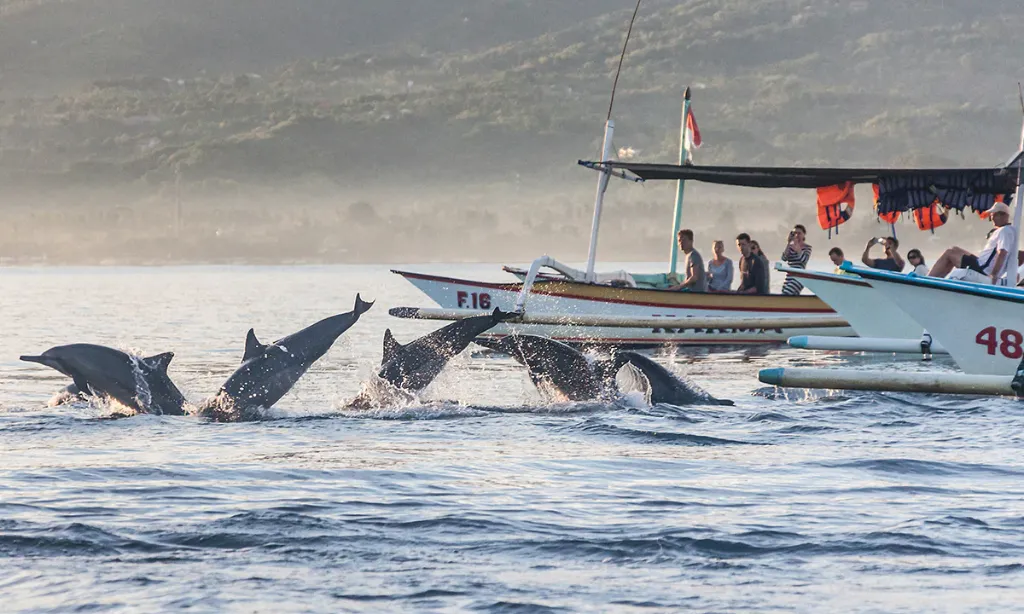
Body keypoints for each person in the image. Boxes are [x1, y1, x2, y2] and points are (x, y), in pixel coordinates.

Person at [928, 202, 1013, 285]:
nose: (991, 218)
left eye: (993, 215)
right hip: (982, 264)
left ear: (1003, 215)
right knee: (954, 249)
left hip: (983, 269)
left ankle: (928, 280)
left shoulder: (1004, 231)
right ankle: (937, 281)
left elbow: (1002, 252)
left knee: (949, 253)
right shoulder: (1008, 230)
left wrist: (994, 275)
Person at [781, 224, 812, 295]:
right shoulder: (790, 247)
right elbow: (784, 258)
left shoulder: (807, 247)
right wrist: (788, 243)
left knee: (787, 293)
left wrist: (797, 247)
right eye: (795, 233)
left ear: (804, 234)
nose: (797, 235)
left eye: (799, 233)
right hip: (789, 276)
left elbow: (804, 260)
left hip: (799, 277)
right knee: (784, 295)